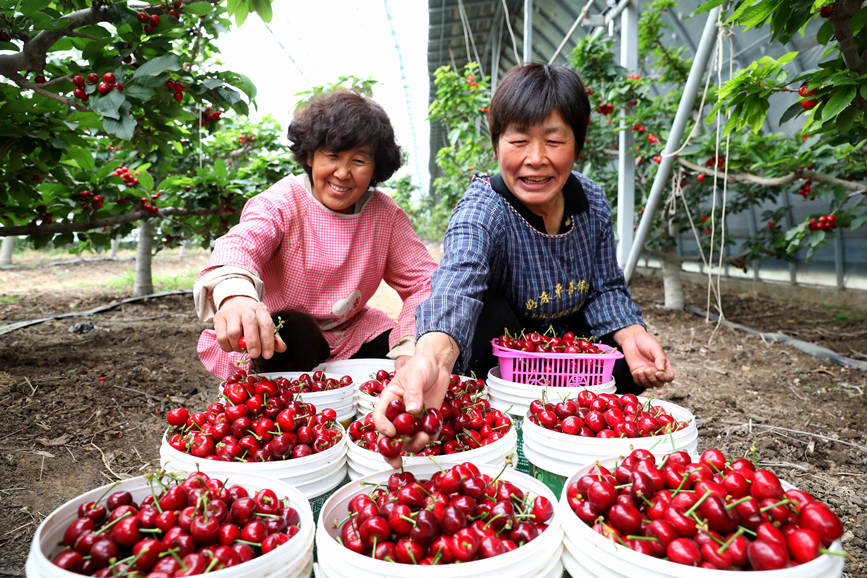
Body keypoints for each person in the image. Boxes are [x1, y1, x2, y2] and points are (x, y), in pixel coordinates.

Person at [373, 63, 674, 463]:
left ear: (577, 145)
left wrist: (630, 331)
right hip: (505, 358)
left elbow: (605, 286)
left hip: (569, 356)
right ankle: (499, 411)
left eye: (554, 141)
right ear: (496, 146)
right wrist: (432, 357)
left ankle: (566, 416)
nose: (536, 158)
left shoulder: (592, 203)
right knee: (485, 312)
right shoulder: (483, 209)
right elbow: (456, 284)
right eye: (518, 141)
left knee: (622, 367)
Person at [193, 89, 438, 381]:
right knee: (295, 330)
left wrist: (411, 345)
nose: (343, 173)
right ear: (310, 156)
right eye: (332, 156)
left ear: (375, 168)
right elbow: (242, 244)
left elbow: (423, 282)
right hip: (282, 340)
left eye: (359, 161)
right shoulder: (282, 202)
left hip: (352, 334)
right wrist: (235, 296)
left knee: (399, 355)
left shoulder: (385, 215)